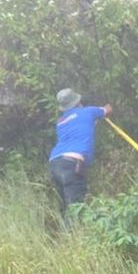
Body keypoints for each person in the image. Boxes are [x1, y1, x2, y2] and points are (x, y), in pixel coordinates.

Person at [48, 88, 111, 220]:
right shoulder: (88, 111)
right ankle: (71, 237)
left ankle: (63, 237)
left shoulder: (61, 122)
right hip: (72, 163)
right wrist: (104, 107)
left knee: (64, 207)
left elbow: (77, 128)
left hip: (55, 162)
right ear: (78, 101)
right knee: (75, 208)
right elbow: (107, 110)